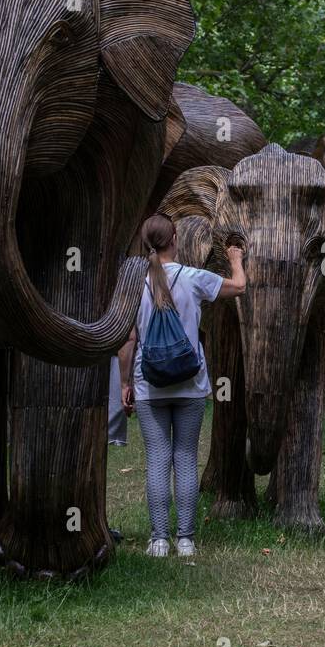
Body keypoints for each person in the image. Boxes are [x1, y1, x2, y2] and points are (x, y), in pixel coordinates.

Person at [119, 214, 246, 558]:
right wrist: (235, 260)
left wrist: (125, 384)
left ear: (145, 243)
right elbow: (238, 286)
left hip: (150, 385)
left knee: (158, 460)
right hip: (191, 384)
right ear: (175, 238)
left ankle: (159, 540)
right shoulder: (194, 278)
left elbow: (128, 340)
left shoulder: (135, 284)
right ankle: (186, 540)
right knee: (186, 459)